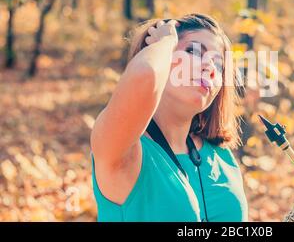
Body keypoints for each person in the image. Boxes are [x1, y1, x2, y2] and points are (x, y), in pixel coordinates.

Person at [90, 13, 248, 221]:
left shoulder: (222, 156)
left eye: (219, 66)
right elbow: (144, 74)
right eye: (193, 51)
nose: (210, 68)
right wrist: (165, 40)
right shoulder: (122, 149)